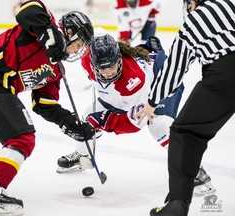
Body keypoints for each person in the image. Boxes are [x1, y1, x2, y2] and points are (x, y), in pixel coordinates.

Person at [0, 0, 95, 215]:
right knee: (22, 137)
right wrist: (50, 35)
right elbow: (27, 9)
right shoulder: (45, 29)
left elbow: (44, 105)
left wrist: (70, 122)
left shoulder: (56, 69)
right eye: (79, 43)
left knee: (1, 123)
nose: (79, 50)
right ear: (68, 32)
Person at [57, 32, 215, 197]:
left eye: (112, 66)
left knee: (159, 126)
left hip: (160, 87)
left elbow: (138, 121)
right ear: (93, 64)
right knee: (89, 113)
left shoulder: (134, 79)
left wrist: (104, 121)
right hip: (120, 93)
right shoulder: (88, 57)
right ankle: (84, 155)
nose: (109, 72)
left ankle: (195, 171)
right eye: (103, 68)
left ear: (119, 59)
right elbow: (85, 34)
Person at [136, 0, 235, 215]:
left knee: (185, 133)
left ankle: (177, 204)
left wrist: (152, 102)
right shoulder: (230, 4)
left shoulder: (194, 20)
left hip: (226, 74)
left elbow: (174, 69)